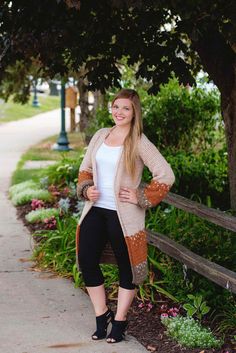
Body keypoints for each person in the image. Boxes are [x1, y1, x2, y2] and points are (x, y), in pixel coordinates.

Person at [76, 88, 175, 343]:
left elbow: (165, 174)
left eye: (126, 108)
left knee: (127, 269)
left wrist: (141, 196)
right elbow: (85, 169)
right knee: (86, 261)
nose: (119, 112)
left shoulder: (138, 140)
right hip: (96, 211)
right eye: (116, 106)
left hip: (125, 217)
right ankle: (102, 315)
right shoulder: (100, 136)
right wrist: (87, 190)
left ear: (134, 113)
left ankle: (120, 321)